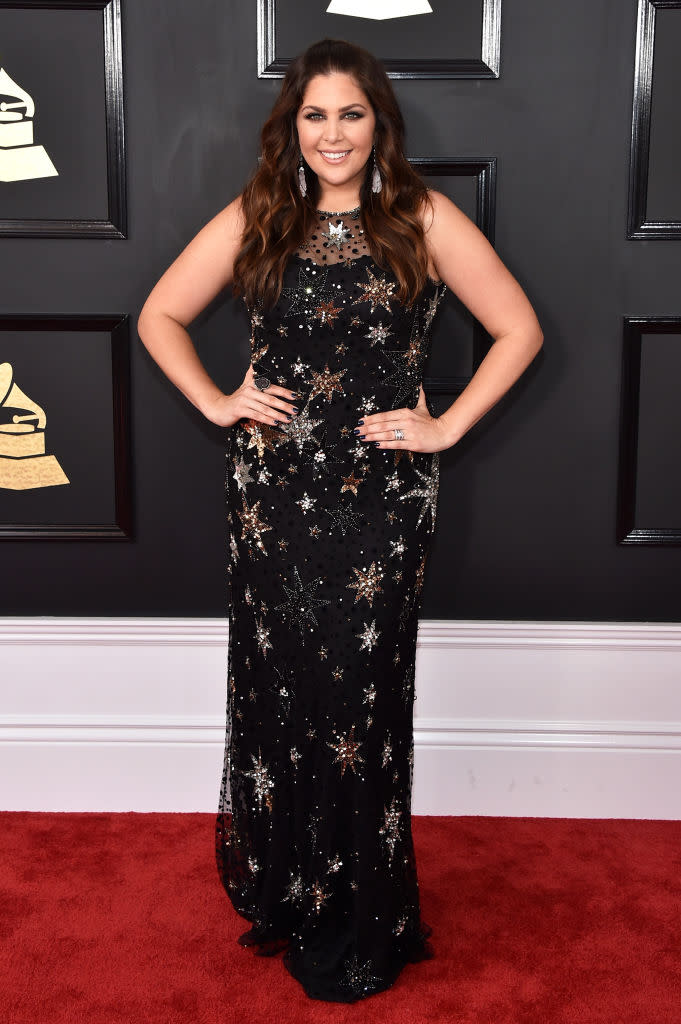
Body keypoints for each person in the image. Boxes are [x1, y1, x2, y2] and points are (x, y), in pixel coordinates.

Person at [137, 37, 543, 1003]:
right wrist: (215, 400)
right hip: (272, 498)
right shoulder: (259, 215)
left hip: (381, 501)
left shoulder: (422, 217)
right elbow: (159, 314)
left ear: (378, 125)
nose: (333, 133)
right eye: (315, 115)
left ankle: (362, 914)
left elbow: (519, 328)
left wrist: (443, 424)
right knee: (285, 691)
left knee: (358, 702)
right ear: (292, 126)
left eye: (351, 114)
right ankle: (289, 889)